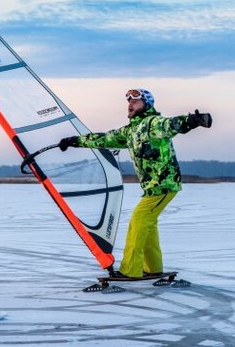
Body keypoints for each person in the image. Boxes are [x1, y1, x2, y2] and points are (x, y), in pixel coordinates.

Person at [58, 88, 212, 278]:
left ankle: (130, 270)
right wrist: (74, 141)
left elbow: (171, 124)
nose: (130, 105)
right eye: (129, 102)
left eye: (135, 102)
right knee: (148, 225)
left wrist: (192, 121)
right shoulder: (130, 131)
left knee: (138, 222)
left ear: (146, 104)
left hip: (164, 184)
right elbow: (104, 138)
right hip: (152, 189)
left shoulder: (153, 123)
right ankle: (153, 267)